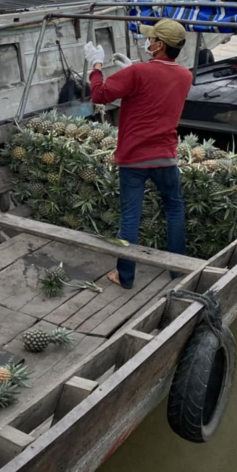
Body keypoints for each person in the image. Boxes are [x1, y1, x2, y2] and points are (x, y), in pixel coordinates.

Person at [83, 18, 193, 289]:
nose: (148, 41)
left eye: (152, 38)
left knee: (130, 217)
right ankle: (178, 271)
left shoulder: (139, 73)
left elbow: (99, 95)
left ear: (159, 45)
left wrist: (96, 65)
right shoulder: (185, 75)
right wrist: (135, 70)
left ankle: (125, 276)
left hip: (134, 158)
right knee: (175, 209)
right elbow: (156, 90)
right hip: (166, 156)